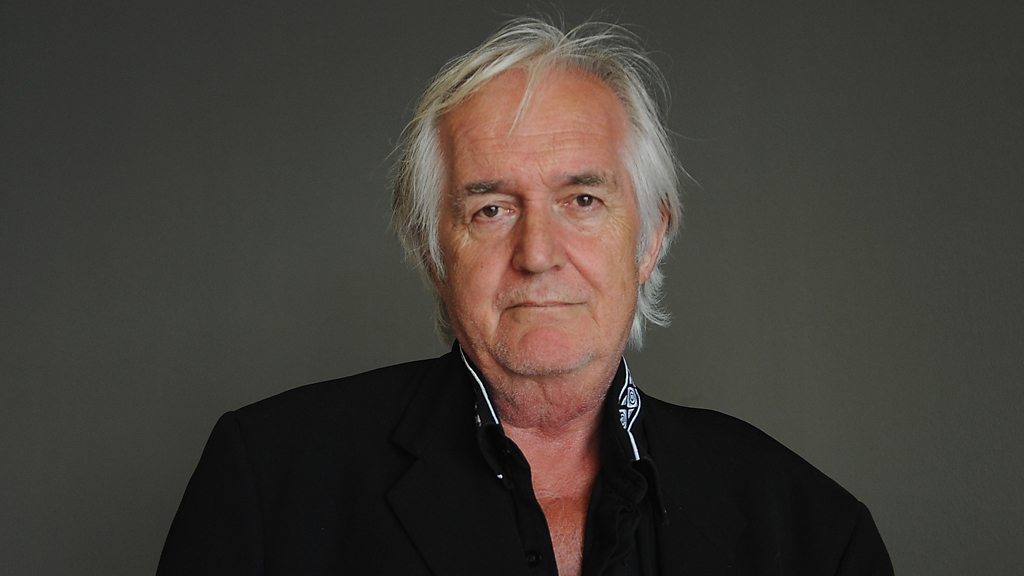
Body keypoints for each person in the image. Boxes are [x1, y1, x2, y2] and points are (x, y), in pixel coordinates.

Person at [157, 17, 893, 576]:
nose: (537, 255)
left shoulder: (813, 532)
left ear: (650, 237)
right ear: (432, 250)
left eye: (582, 200)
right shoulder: (268, 484)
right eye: (491, 209)